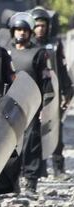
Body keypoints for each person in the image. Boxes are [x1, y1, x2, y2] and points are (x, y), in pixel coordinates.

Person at [7, 12, 52, 192]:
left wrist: (45, 107)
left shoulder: (39, 53)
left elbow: (46, 81)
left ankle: (31, 179)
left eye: (25, 30)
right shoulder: (5, 52)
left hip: (32, 103)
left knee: (31, 141)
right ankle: (12, 180)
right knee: (11, 143)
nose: (22, 33)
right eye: (18, 29)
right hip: (10, 104)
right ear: (13, 31)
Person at [30, 6, 73, 178]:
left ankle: (58, 168)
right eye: (37, 25)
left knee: (56, 132)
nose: (40, 28)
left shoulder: (54, 44)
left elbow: (62, 69)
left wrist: (67, 92)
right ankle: (34, 171)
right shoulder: (28, 45)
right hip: (32, 94)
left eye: (43, 25)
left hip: (52, 94)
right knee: (32, 135)